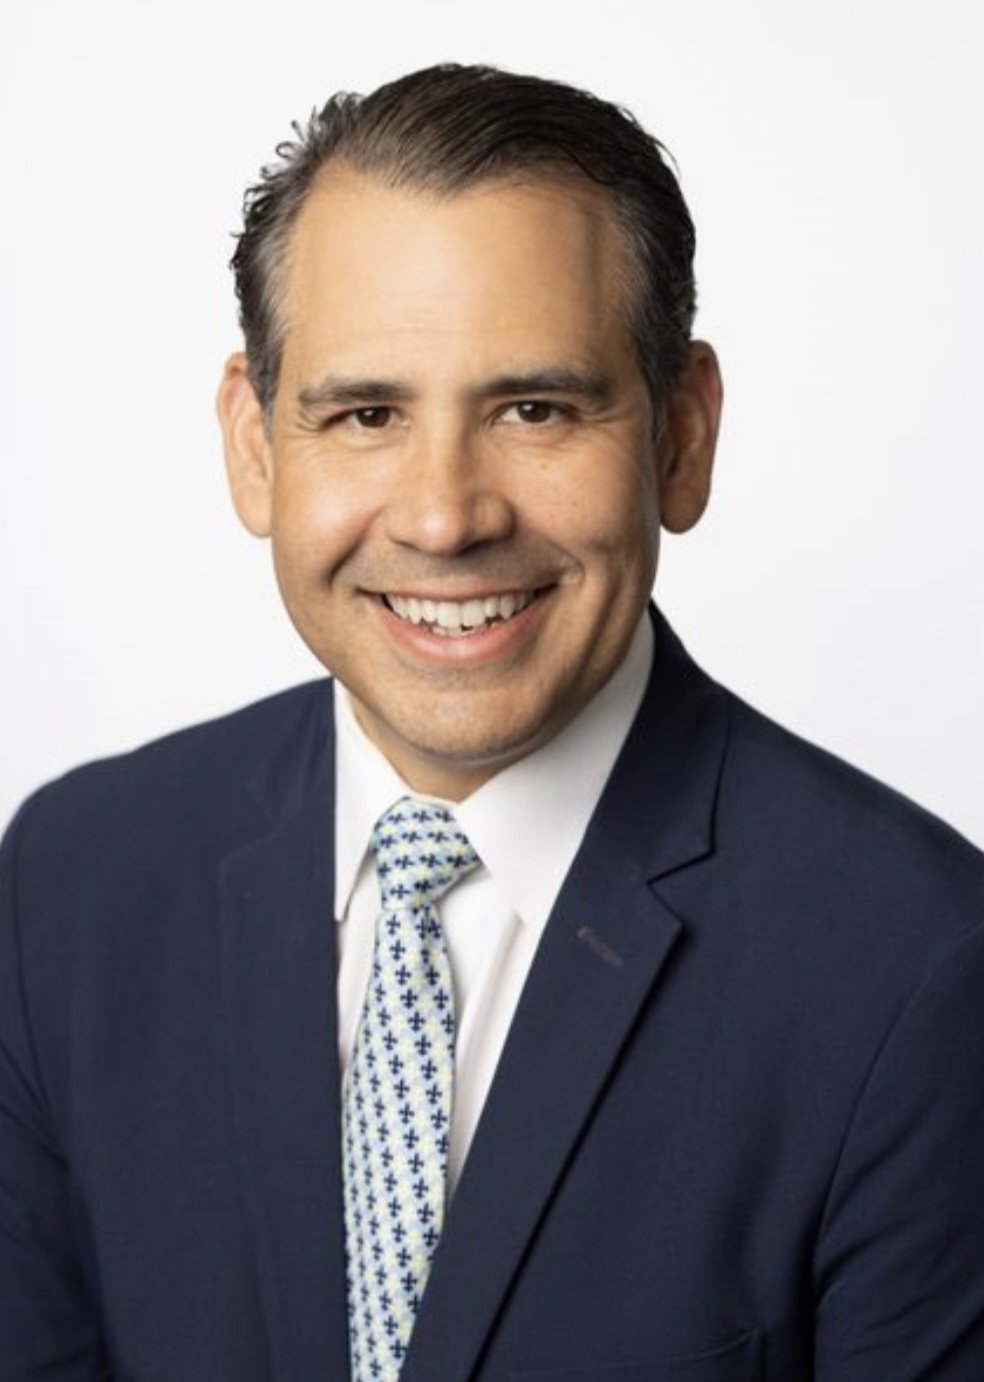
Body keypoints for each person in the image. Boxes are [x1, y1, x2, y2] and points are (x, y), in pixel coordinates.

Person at [1, 62, 982, 1382]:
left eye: (535, 408)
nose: (445, 515)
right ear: (253, 443)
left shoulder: (918, 969)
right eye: (365, 413)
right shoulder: (69, 886)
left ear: (682, 437)